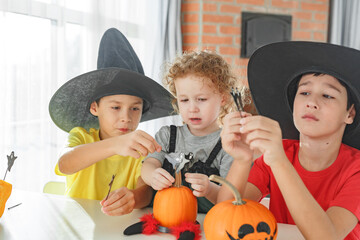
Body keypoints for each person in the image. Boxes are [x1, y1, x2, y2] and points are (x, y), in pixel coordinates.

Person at [219, 41, 360, 239]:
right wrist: (242, 159)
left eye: (327, 95)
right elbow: (224, 216)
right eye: (304, 92)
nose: (311, 102)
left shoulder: (356, 171)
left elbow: (326, 237)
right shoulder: (279, 153)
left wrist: (278, 161)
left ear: (350, 113)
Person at [48, 28, 173, 216]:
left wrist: (132, 198)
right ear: (94, 108)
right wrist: (115, 145)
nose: (126, 117)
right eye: (115, 107)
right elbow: (65, 164)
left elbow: (145, 193)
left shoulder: (141, 148)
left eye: (135, 108)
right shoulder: (81, 136)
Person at [141, 50, 241, 213]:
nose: (192, 108)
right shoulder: (167, 135)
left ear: (222, 98)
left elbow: (229, 198)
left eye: (201, 99)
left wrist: (209, 189)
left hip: (206, 226)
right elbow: (148, 165)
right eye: (184, 100)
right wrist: (152, 175)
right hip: (164, 221)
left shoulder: (228, 144)